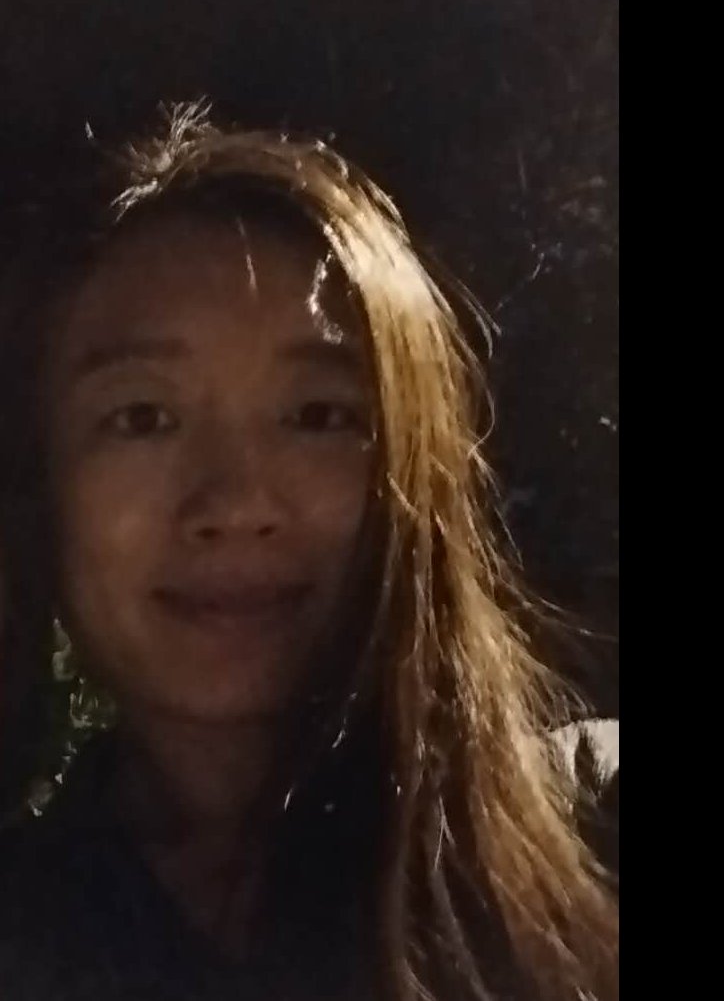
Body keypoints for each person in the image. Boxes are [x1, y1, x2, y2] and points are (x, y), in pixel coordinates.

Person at [0, 103, 618, 1001]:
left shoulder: (592, 837)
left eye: (316, 416)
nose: (236, 504)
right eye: (143, 418)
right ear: (42, 484)